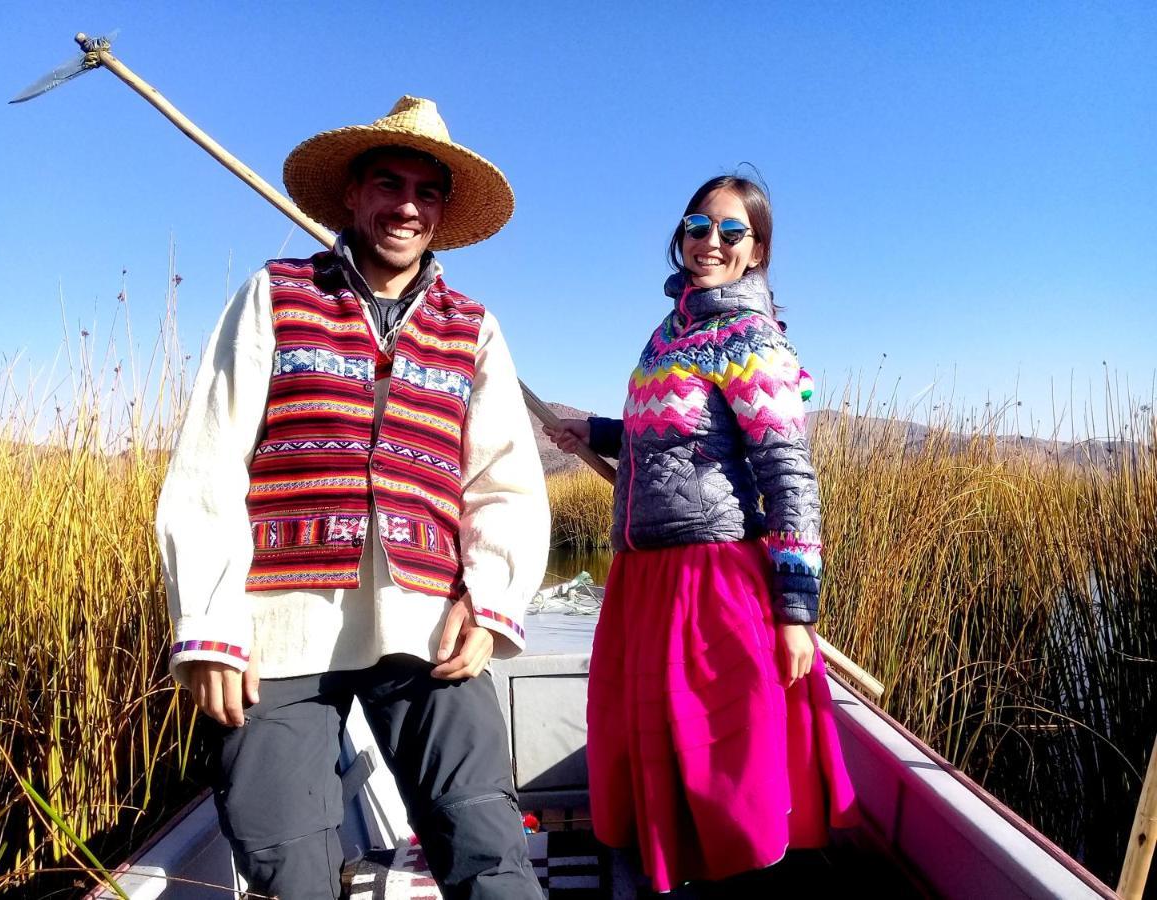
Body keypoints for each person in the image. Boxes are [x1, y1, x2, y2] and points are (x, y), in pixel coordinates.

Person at [157, 96, 549, 900]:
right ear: (352, 195)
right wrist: (208, 626)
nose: (406, 205)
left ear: (440, 211)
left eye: (425, 192)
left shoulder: (471, 326)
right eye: (387, 183)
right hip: (280, 629)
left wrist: (490, 597)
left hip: (425, 626)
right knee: (285, 865)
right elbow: (209, 462)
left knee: (488, 846)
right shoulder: (277, 294)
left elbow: (503, 481)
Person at [545, 173, 856, 894]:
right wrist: (593, 431)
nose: (709, 241)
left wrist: (796, 611)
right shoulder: (669, 333)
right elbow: (678, 434)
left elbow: (788, 476)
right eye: (697, 225)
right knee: (658, 756)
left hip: (711, 582)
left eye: (730, 230)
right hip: (642, 579)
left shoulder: (752, 339)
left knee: (725, 770)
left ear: (756, 251)